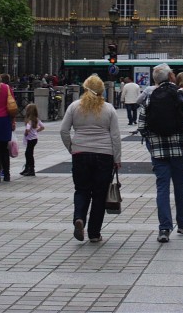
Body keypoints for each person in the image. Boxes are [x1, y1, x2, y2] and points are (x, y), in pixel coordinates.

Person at [138, 64, 183, 243]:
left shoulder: (150, 96)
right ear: (172, 76)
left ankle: (164, 229)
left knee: (162, 188)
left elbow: (142, 126)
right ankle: (182, 224)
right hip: (181, 149)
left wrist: (153, 143)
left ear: (155, 80)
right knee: (180, 186)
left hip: (158, 152)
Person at [60, 74, 121, 243]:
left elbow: (64, 131)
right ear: (102, 91)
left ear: (84, 88)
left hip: (80, 153)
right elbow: (115, 136)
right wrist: (117, 158)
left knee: (81, 189)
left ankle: (79, 218)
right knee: (100, 195)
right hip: (104, 155)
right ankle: (94, 233)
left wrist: (72, 148)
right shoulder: (109, 109)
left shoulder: (74, 106)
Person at [21, 103, 45, 176]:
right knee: (29, 153)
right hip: (34, 138)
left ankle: (31, 169)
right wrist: (36, 132)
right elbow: (42, 127)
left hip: (30, 139)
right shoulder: (36, 119)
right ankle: (27, 168)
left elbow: (27, 129)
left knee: (28, 154)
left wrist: (26, 133)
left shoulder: (29, 120)